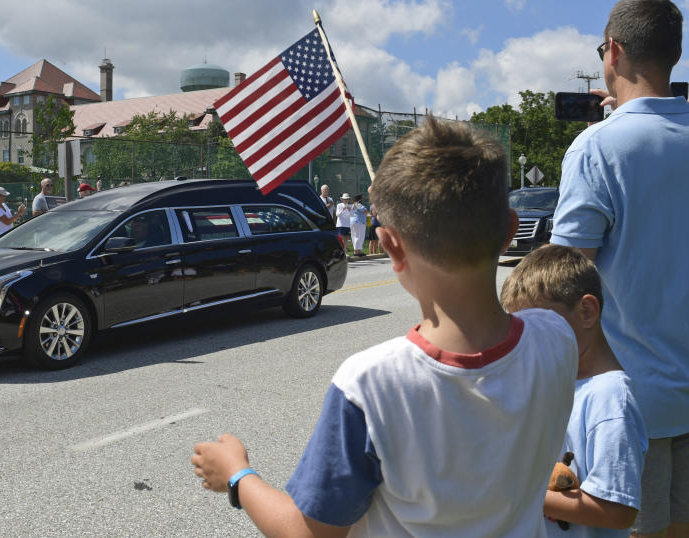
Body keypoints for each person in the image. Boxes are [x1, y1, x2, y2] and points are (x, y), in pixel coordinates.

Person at [191, 117, 578, 536]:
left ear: (390, 246)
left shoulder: (369, 385)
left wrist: (236, 475)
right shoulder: (557, 335)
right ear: (510, 229)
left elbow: (308, 533)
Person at [550, 3, 689, 535]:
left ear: (614, 51)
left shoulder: (598, 148)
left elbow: (562, 283)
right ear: (674, 55)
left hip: (629, 411)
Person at [501, 245, 648, 536]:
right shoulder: (558, 379)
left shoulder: (608, 398)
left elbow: (618, 511)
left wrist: (516, 497)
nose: (525, 338)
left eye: (538, 324)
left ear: (586, 311)